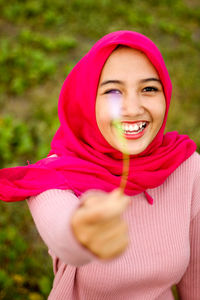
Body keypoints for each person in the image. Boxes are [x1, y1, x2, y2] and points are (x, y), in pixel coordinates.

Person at [0, 30, 199, 299]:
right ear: (86, 101)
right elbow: (65, 237)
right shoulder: (54, 177)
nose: (132, 108)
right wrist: (82, 231)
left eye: (149, 89)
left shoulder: (187, 167)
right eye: (113, 91)